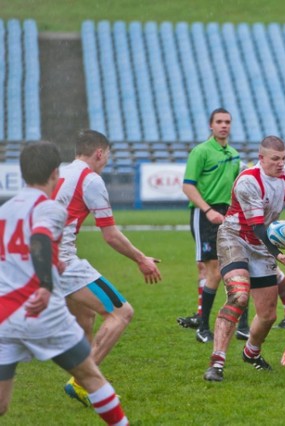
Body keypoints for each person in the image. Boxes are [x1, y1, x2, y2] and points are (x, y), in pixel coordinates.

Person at [0, 142, 128, 424]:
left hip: (4, 315)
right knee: (91, 378)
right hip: (41, 311)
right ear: (55, 173)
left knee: (1, 404)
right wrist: (46, 284)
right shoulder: (50, 209)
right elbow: (40, 238)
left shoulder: (5, 209)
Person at [53, 130, 162, 406]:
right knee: (121, 313)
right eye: (107, 156)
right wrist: (141, 259)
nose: (106, 162)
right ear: (99, 153)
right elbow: (110, 234)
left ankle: (87, 382)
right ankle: (81, 381)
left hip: (41, 257)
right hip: (62, 261)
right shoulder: (91, 179)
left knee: (86, 316)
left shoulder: (61, 172)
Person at [203, 136, 285, 382]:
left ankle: (251, 353)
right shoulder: (248, 180)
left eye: (284, 158)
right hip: (235, 238)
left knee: (268, 315)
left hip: (261, 245)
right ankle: (217, 363)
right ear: (261, 158)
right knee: (239, 295)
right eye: (275, 159)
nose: (281, 163)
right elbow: (256, 227)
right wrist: (279, 254)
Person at [179, 108, 245, 343]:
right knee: (214, 269)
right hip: (204, 214)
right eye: (219, 122)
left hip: (227, 213)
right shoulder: (201, 151)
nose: (224, 125)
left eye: (227, 121)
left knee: (234, 266)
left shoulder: (234, 154)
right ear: (211, 125)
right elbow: (188, 186)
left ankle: (240, 323)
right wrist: (207, 210)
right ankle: (203, 325)